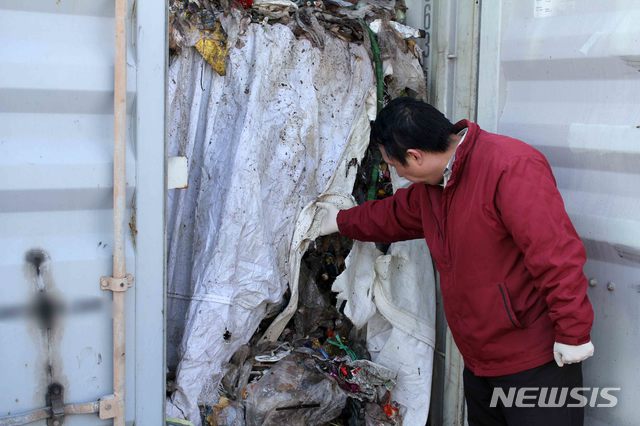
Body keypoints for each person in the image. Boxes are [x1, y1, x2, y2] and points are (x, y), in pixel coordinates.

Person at [317, 97, 595, 425]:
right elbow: (394, 214)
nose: (396, 172)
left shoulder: (510, 167)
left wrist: (573, 334)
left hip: (534, 361)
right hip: (481, 362)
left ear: (415, 157)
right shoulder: (435, 187)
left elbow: (556, 255)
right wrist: (339, 220)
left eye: (395, 165)